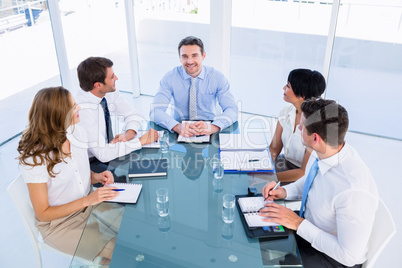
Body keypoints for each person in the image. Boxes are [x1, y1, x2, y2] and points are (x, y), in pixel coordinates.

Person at [260, 99, 379, 268]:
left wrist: (297, 223)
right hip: (309, 229)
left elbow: (349, 256)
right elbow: (312, 181)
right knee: (254, 233)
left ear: (315, 138)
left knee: (259, 261)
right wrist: (285, 192)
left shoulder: (352, 190)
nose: (298, 128)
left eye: (302, 126)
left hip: (331, 258)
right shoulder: (330, 149)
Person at [18, 87, 121, 263]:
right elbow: (43, 213)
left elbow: (75, 172)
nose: (79, 108)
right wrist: (88, 200)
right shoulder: (35, 158)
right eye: (73, 107)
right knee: (120, 250)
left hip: (90, 207)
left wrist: (96, 177)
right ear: (58, 116)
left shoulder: (76, 133)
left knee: (133, 233)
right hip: (60, 225)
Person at [75, 57, 158, 172]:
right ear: (98, 85)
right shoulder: (83, 110)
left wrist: (130, 133)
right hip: (90, 163)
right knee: (136, 173)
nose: (116, 78)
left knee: (150, 165)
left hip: (109, 150)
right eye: (112, 77)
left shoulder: (106, 91)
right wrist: (141, 141)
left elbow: (132, 115)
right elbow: (102, 154)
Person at [150, 36, 238, 137]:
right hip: (178, 129)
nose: (189, 61)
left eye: (194, 55)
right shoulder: (170, 77)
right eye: (185, 56)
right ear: (180, 58)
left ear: (203, 56)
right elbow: (155, 111)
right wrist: (177, 127)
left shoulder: (217, 77)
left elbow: (232, 110)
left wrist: (213, 127)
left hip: (208, 127)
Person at [270, 69, 326, 183]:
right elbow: (274, 149)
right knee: (247, 178)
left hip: (302, 176)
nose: (283, 88)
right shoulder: (286, 112)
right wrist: (260, 168)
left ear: (302, 95)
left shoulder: (316, 126)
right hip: (283, 164)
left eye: (288, 86)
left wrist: (270, 178)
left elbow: (303, 172)